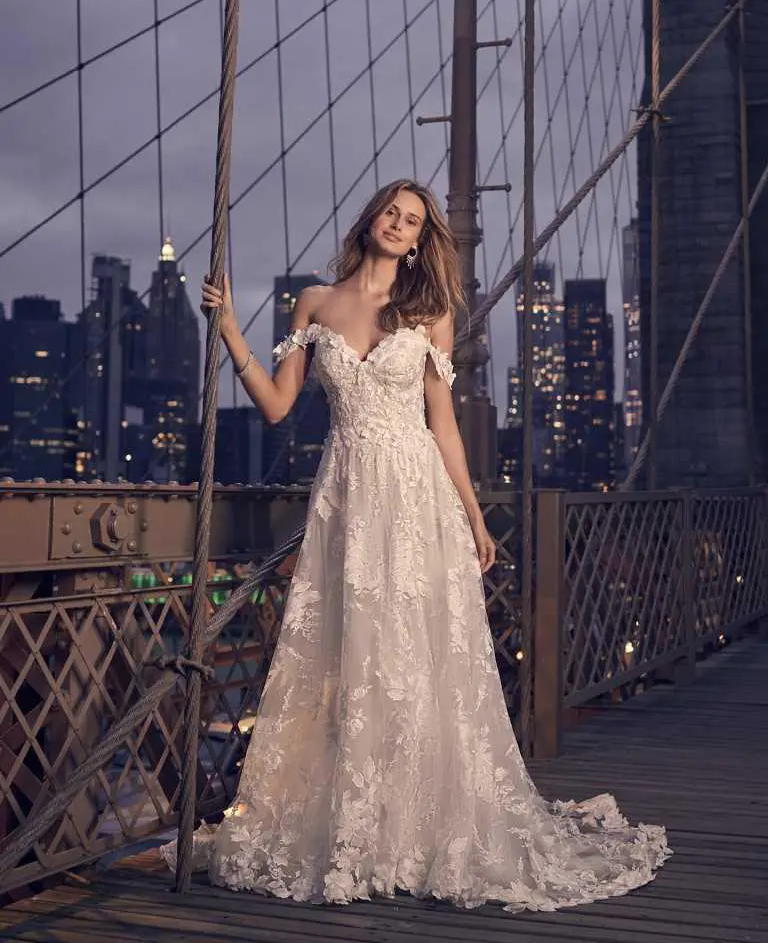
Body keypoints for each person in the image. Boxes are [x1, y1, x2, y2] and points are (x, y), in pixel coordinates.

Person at [162, 179, 670, 911]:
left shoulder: (430, 312)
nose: (400, 226)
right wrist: (233, 329)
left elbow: (444, 424)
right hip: (349, 502)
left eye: (413, 222)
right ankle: (359, 824)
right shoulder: (314, 303)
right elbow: (276, 408)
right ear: (371, 218)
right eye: (391, 214)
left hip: (414, 497)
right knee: (350, 657)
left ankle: (419, 826)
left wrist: (472, 516)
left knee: (416, 656)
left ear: (421, 238)